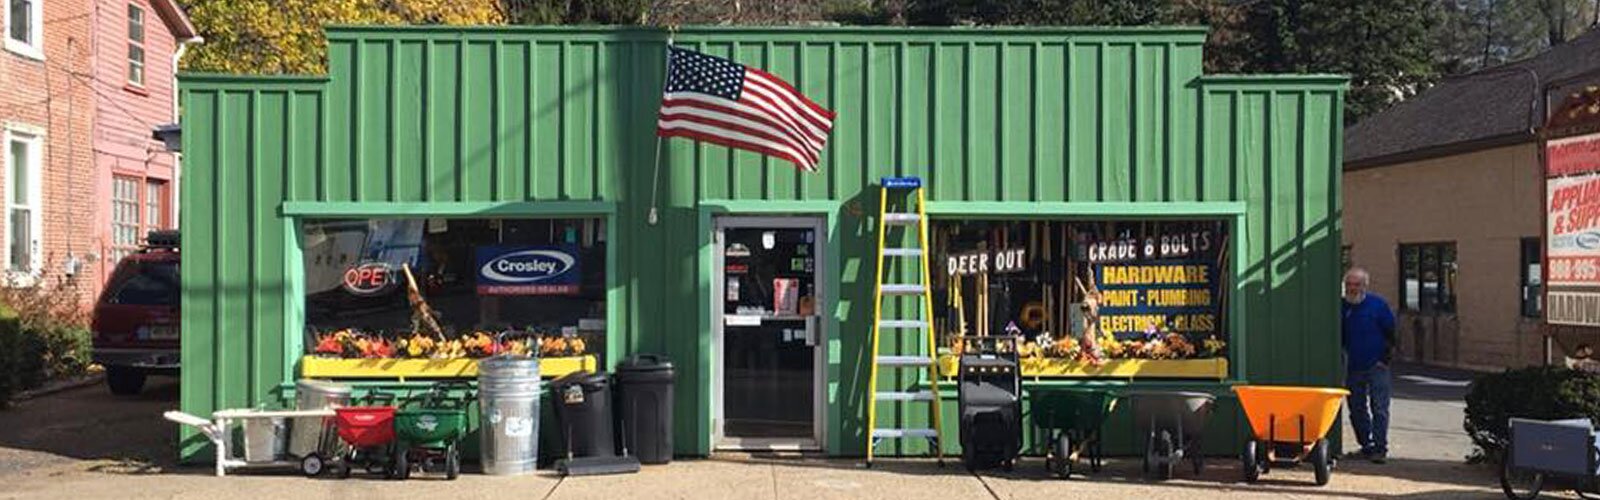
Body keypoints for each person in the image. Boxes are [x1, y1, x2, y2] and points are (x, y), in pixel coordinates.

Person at [1342, 267, 1396, 464]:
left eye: (1356, 284)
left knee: (1379, 407)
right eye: (1349, 284)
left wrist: (1385, 359)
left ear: (1365, 286)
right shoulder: (1342, 307)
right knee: (1356, 408)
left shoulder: (1377, 305)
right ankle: (1366, 445)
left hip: (1377, 365)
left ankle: (1380, 448)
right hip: (1353, 366)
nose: (1352, 288)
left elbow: (1391, 333)